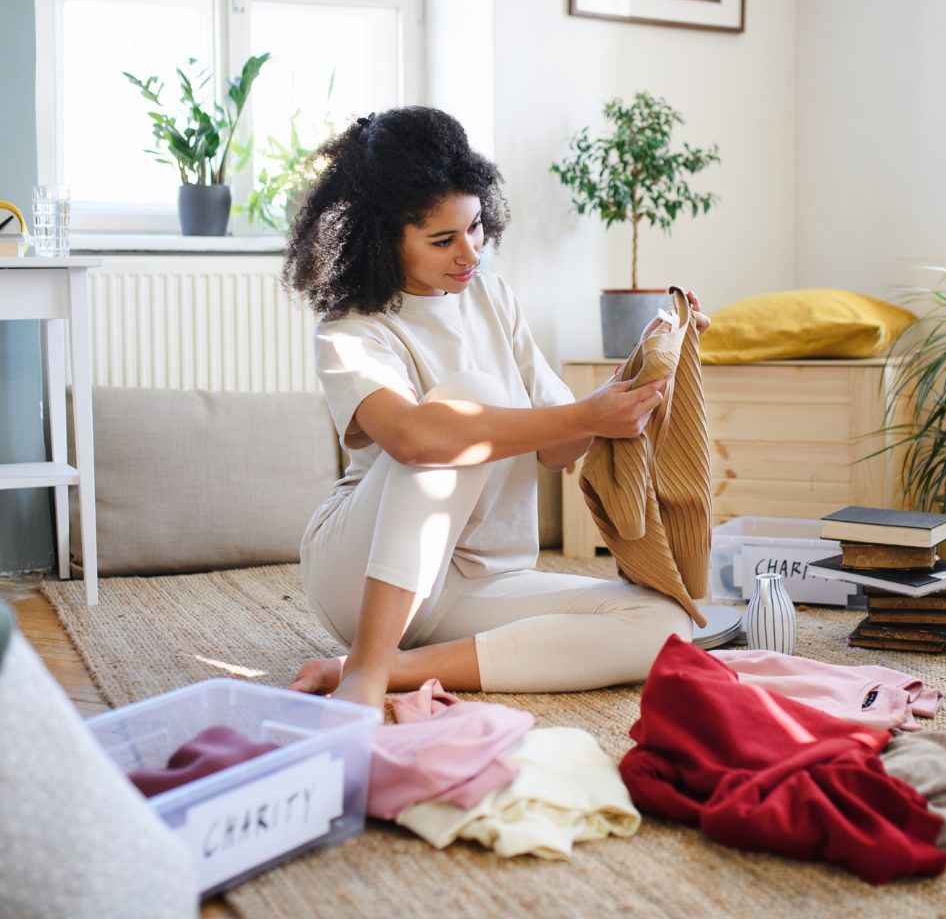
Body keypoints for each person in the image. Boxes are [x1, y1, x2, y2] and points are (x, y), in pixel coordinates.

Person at [283, 106, 709, 708]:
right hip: (360, 577)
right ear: (382, 238)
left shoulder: (493, 298)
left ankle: (395, 668)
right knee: (467, 402)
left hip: (482, 581)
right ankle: (367, 668)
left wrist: (642, 373)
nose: (470, 253)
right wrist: (586, 415)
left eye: (477, 227)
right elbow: (413, 438)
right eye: (443, 239)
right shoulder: (350, 330)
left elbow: (560, 446)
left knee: (666, 625)